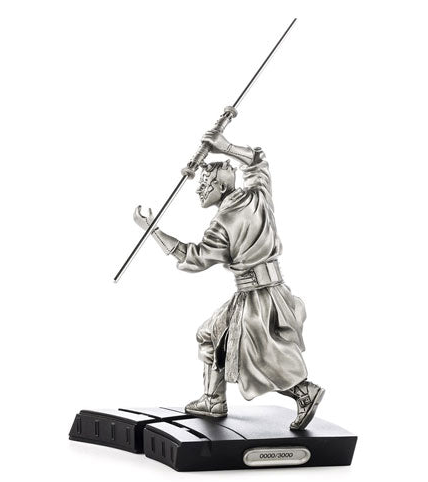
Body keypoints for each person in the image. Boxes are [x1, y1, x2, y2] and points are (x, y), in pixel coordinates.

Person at [133, 130, 324, 430]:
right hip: (273, 291)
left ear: (220, 186)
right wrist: (226, 147)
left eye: (205, 184)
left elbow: (194, 258)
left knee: (261, 359)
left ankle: (304, 392)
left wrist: (152, 231)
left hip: (256, 299)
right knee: (209, 333)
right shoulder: (258, 195)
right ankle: (213, 399)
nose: (199, 190)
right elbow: (258, 162)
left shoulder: (221, 224)